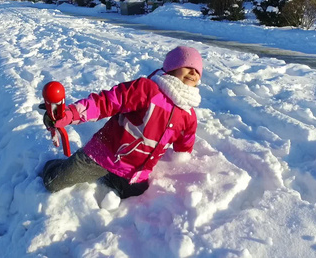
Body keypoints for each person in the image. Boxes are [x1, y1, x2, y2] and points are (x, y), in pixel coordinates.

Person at [41, 46, 203, 204]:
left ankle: (111, 177)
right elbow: (104, 103)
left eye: (197, 71)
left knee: (134, 196)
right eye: (188, 66)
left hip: (135, 172)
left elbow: (185, 142)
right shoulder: (147, 89)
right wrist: (69, 114)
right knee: (54, 183)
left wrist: (183, 155)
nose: (193, 72)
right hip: (104, 155)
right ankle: (55, 165)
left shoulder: (188, 115)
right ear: (172, 67)